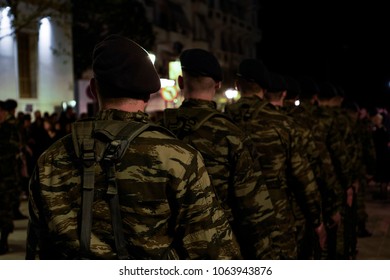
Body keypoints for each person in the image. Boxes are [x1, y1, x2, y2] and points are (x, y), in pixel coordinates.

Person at [26, 35, 241, 260]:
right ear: (148, 95)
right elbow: (213, 252)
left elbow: (37, 253)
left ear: (92, 89)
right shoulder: (179, 158)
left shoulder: (50, 160)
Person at [161, 48, 279, 259]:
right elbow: (253, 209)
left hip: (167, 250)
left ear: (180, 82)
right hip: (217, 249)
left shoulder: (158, 130)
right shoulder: (231, 135)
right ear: (217, 86)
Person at [225, 60, 326, 259]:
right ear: (265, 87)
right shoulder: (284, 124)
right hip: (275, 222)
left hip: (232, 224)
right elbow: (303, 177)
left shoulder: (222, 121)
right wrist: (316, 220)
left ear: (237, 84)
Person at [0, 101, 21, 254]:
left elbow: (16, 145)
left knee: (5, 211)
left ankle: (4, 241)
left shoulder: (10, 128)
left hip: (6, 177)